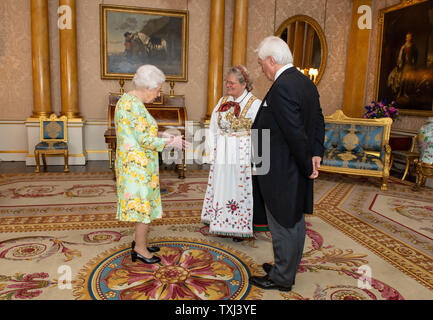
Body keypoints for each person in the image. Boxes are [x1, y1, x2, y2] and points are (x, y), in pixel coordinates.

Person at [249, 36, 325, 291]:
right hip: (294, 165)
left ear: (272, 60)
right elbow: (318, 120)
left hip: (282, 168)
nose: (261, 69)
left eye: (261, 63)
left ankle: (281, 278)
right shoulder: (305, 82)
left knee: (282, 223)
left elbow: (294, 132)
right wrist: (315, 153)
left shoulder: (282, 86)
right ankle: (285, 268)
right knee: (294, 220)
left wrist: (307, 164)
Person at [114, 65, 186, 264]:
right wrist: (171, 142)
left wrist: (164, 135)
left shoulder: (130, 101)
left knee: (144, 205)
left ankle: (140, 241)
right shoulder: (132, 105)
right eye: (157, 90)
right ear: (147, 87)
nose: (158, 94)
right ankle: (139, 249)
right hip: (136, 167)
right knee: (142, 206)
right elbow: (144, 140)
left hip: (138, 164)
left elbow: (141, 132)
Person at [201, 65, 262, 241]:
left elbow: (260, 132)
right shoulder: (222, 102)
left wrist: (258, 160)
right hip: (222, 153)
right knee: (221, 187)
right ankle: (220, 221)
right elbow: (213, 127)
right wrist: (211, 152)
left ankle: (239, 227)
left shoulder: (255, 104)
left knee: (238, 190)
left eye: (231, 83)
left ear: (244, 84)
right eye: (226, 82)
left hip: (242, 156)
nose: (227, 86)